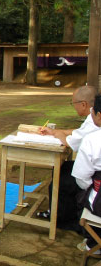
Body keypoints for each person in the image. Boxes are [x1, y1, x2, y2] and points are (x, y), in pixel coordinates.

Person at [38, 85, 99, 228]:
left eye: (74, 104)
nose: (74, 107)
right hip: (94, 174)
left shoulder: (94, 131)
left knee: (61, 179)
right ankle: (63, 211)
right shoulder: (94, 118)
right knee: (64, 168)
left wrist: (58, 134)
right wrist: (59, 132)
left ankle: (64, 219)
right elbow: (80, 132)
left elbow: (72, 142)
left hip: (95, 181)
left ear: (84, 104)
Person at [72, 94, 101, 253]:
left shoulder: (93, 140)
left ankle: (93, 244)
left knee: (81, 192)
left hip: (99, 204)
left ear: (99, 115)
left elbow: (81, 178)